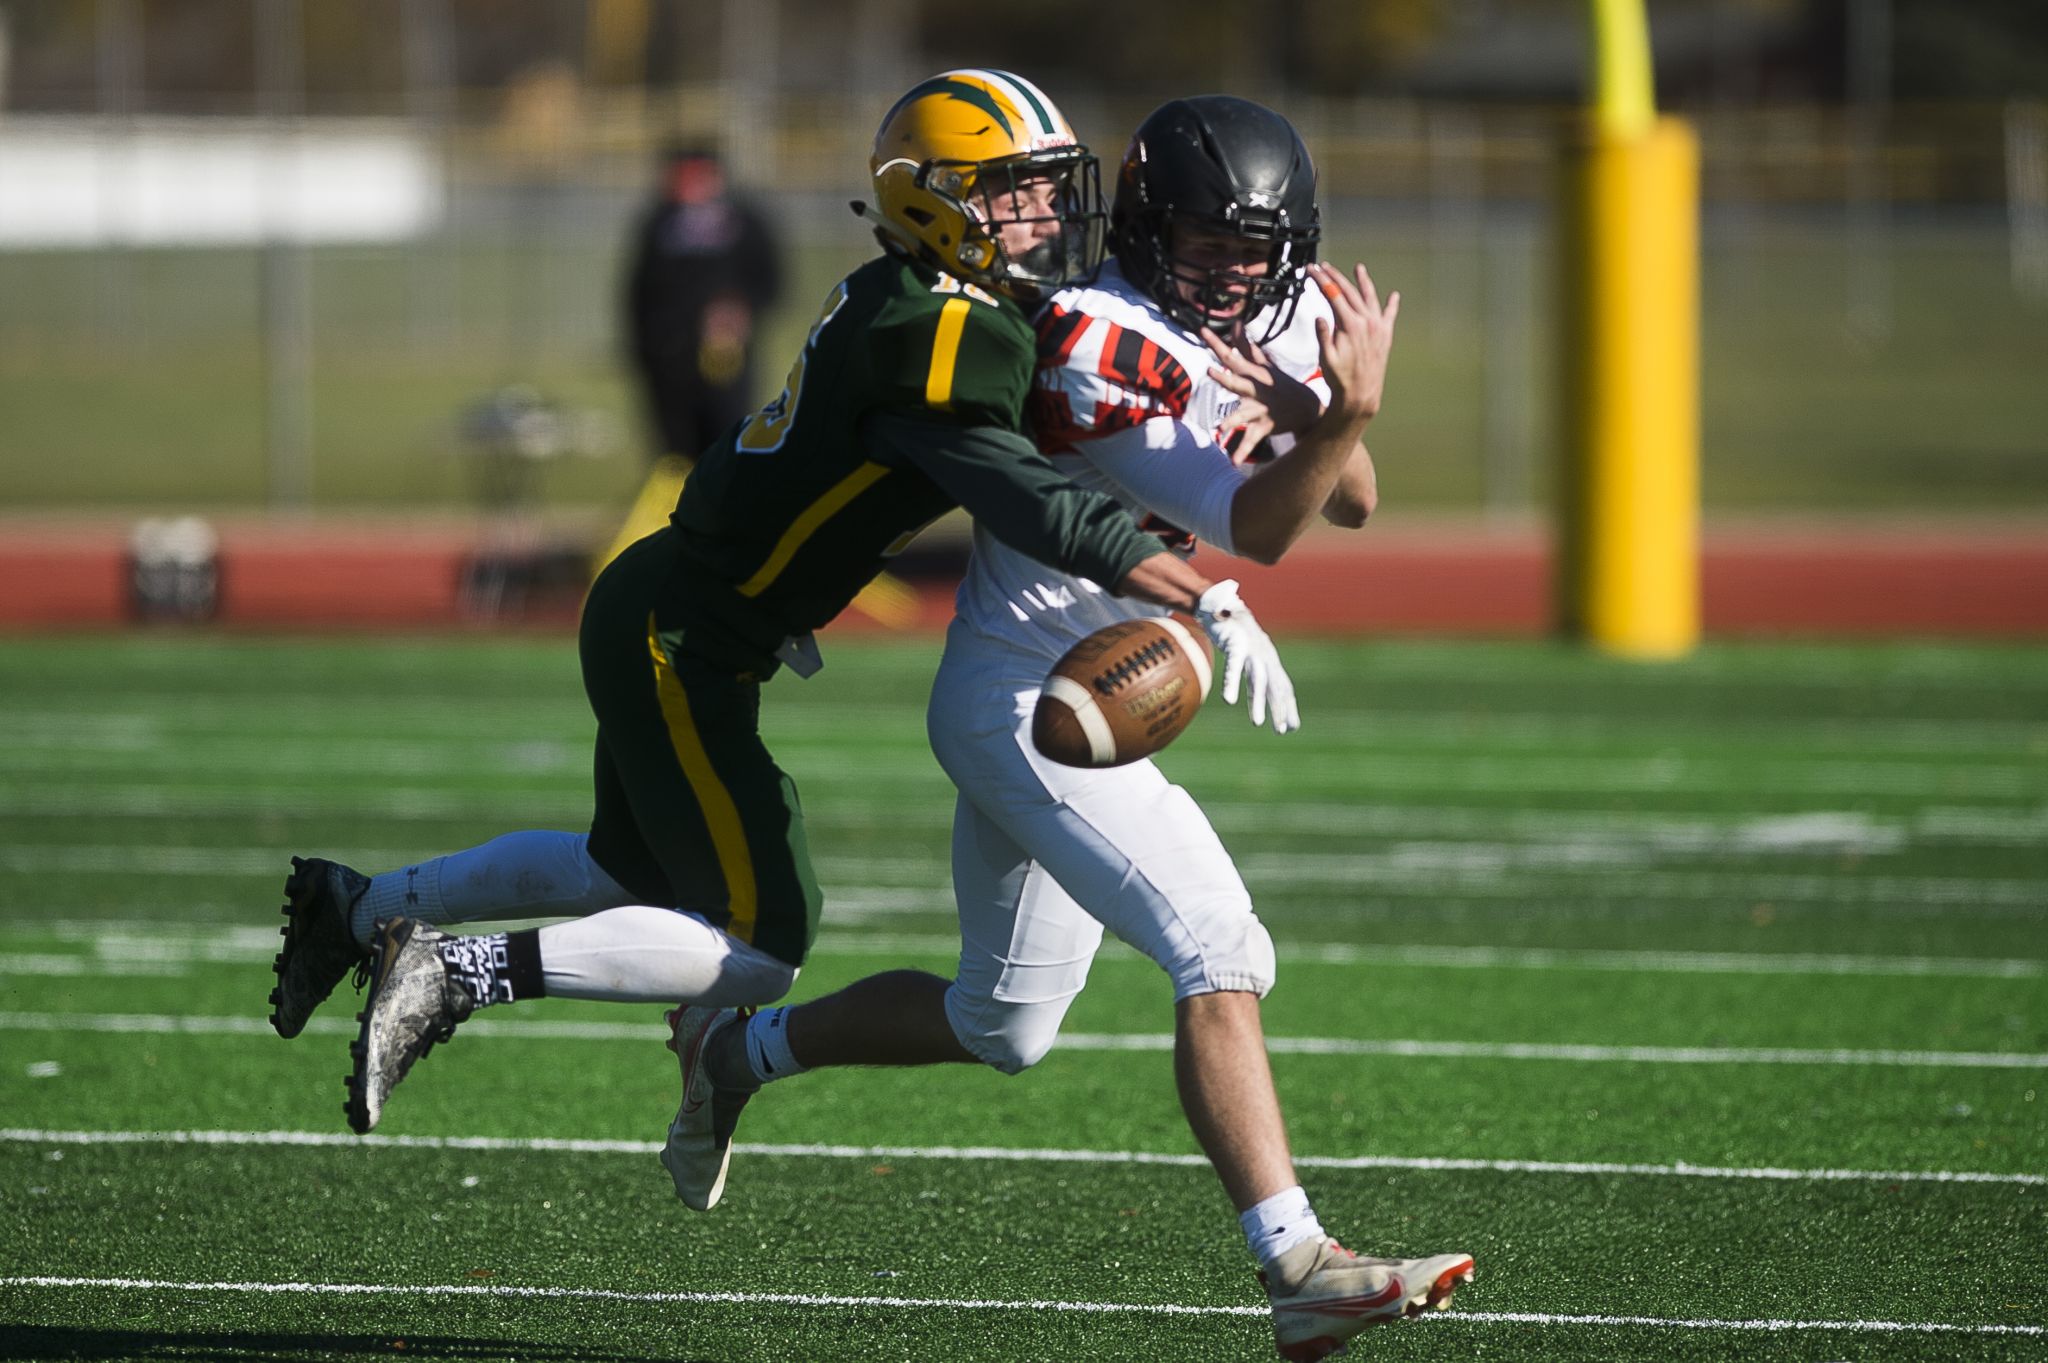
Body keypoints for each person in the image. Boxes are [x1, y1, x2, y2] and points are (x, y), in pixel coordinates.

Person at [263, 71, 1295, 1146]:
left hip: (672, 607)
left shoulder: (920, 296)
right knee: (762, 942)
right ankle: (455, 971)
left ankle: (357, 905)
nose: (1043, 214)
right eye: (1011, 192)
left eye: (1047, 187)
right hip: (684, 635)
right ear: (932, 201)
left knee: (622, 871)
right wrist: (1188, 582)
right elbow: (1023, 495)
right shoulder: (948, 331)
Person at [666, 96, 1472, 1363]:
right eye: (1205, 246)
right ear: (1148, 232)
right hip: (1026, 697)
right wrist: (1335, 421)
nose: (1233, 275)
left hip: (1073, 695)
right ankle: (1299, 1268)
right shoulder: (1097, 336)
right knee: (1218, 946)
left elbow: (1351, 500)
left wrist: (1320, 412)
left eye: (1253, 252)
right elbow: (1258, 526)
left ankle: (734, 1050)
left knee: (1001, 1025)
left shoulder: (1276, 307)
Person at [599, 144, 785, 572]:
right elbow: (637, 291)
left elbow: (771, 281)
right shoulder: (658, 223)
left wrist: (738, 309)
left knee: (726, 451)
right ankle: (674, 546)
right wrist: (641, 349)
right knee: (672, 459)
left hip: (725, 367)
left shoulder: (743, 222)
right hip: (667, 364)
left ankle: (734, 547)